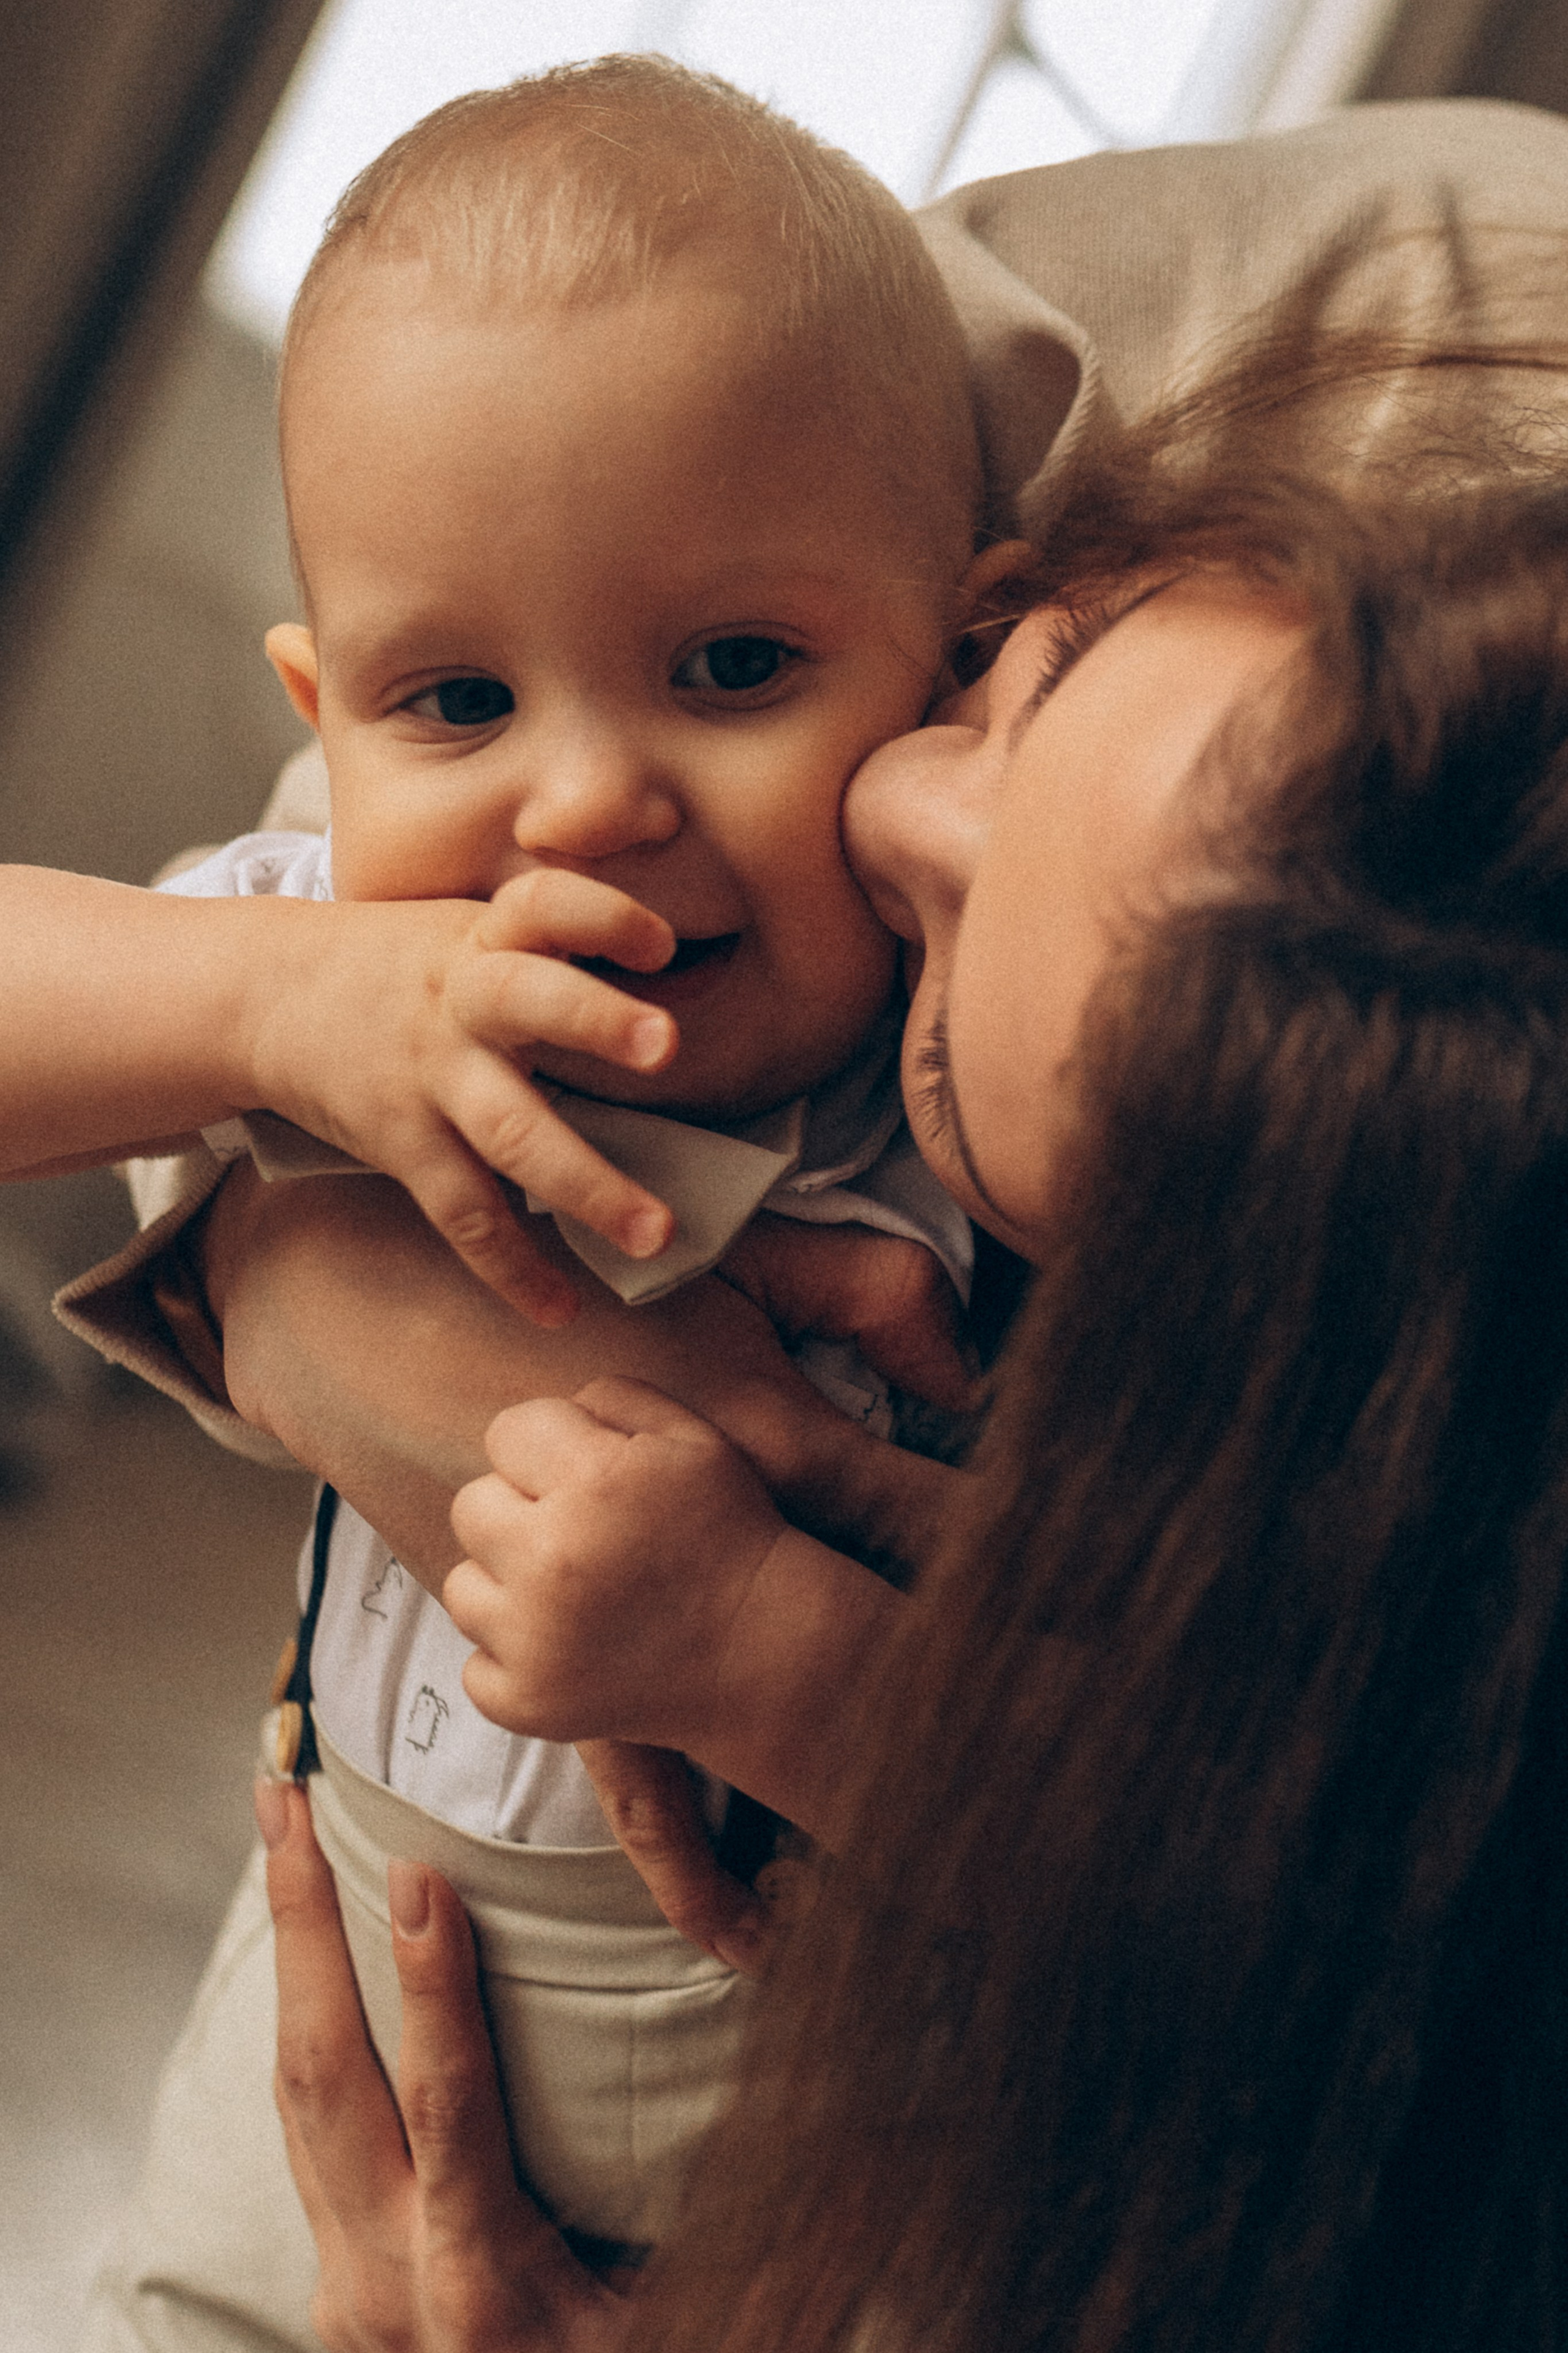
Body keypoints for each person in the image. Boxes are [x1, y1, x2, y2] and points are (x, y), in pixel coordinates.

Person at [61, 90, 1568, 2353]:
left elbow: (1203, 1890)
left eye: (745, 673)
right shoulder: (393, 938)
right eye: (1026, 683)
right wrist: (262, 1016)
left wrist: (770, 1642)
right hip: (331, 2003)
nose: (890, 811)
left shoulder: (1051, 1251)